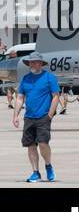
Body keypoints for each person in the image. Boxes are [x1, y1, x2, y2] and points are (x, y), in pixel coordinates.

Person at [12, 51, 59, 182]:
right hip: (29, 117)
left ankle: (48, 165)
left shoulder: (49, 77)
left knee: (43, 143)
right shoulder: (25, 79)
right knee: (30, 145)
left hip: (43, 116)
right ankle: (35, 172)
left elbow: (56, 96)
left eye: (36, 62)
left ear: (41, 64)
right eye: (31, 62)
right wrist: (15, 115)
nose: (33, 64)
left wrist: (50, 114)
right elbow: (20, 98)